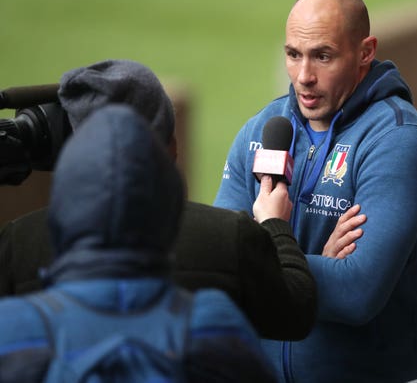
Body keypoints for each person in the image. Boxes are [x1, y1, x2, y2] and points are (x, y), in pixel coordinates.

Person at [214, 0, 417, 382]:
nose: (304, 76)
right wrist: (312, 258)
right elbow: (217, 271)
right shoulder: (261, 130)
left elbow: (356, 293)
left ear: (365, 52)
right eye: (293, 55)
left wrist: (268, 232)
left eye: (322, 56)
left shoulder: (399, 141)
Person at [0, 59, 316, 341]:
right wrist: (277, 227)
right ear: (172, 146)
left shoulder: (17, 244)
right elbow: (297, 312)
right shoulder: (228, 236)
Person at [0, 104, 276, 382]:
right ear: (170, 209)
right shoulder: (213, 325)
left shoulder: (14, 329)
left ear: (61, 211)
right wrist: (278, 228)